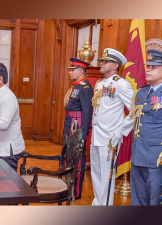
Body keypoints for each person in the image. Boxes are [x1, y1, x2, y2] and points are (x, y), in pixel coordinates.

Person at [130, 49, 162, 205]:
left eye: (153, 67)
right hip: (138, 155)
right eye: (147, 66)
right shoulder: (141, 92)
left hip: (158, 158)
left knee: (155, 203)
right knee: (138, 201)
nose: (147, 70)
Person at [90, 48, 134, 205]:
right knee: (95, 172)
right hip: (96, 135)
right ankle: (98, 202)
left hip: (110, 138)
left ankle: (106, 206)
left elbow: (134, 110)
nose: (101, 64)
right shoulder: (100, 83)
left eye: (105, 61)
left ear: (115, 65)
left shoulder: (121, 84)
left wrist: (120, 132)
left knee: (107, 174)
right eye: (102, 60)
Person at [63, 57, 93, 199]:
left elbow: (87, 112)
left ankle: (76, 192)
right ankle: (67, 186)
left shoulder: (85, 88)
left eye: (72, 70)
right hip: (69, 125)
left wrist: (83, 134)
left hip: (76, 127)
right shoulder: (76, 86)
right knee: (67, 157)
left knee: (77, 159)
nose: (70, 72)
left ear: (81, 71)